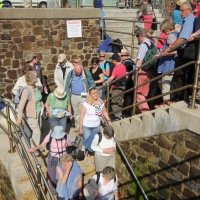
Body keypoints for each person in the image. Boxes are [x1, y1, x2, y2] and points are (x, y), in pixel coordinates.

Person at [166, 1, 196, 103]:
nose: (180, 13)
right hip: (186, 52)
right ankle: (182, 98)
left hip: (185, 52)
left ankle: (179, 99)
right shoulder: (189, 19)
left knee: (180, 76)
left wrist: (170, 48)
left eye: (182, 11)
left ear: (189, 10)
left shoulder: (189, 20)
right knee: (184, 76)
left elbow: (183, 38)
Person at [29, 126, 72, 194]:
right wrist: (35, 149)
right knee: (52, 176)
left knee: (64, 174)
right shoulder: (50, 136)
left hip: (64, 158)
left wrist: (70, 144)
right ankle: (53, 190)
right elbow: (42, 145)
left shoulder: (65, 135)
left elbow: (69, 143)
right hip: (53, 157)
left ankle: (62, 189)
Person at [16, 71, 44, 150]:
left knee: (38, 130)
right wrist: (19, 118)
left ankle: (37, 146)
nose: (37, 78)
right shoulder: (26, 90)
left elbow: (38, 97)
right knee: (37, 132)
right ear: (33, 79)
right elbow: (21, 105)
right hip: (31, 115)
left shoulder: (34, 87)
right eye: (36, 77)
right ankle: (33, 148)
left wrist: (42, 103)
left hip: (38, 112)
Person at [79, 87, 112, 153]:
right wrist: (80, 128)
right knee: (88, 140)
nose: (96, 95)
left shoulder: (101, 103)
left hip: (96, 126)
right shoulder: (86, 104)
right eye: (93, 94)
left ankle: (85, 147)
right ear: (90, 95)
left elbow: (104, 112)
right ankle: (86, 152)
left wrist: (109, 121)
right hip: (86, 126)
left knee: (93, 141)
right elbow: (81, 117)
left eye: (96, 93)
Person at [155, 19, 179, 107]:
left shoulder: (171, 37)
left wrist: (165, 53)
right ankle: (166, 101)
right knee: (165, 83)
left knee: (165, 83)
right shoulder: (177, 34)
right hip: (171, 63)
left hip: (168, 64)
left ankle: (166, 103)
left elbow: (175, 50)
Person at [66, 63, 96, 131]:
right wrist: (68, 96)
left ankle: (83, 125)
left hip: (83, 94)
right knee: (76, 112)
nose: (79, 74)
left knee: (83, 111)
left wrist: (91, 91)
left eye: (80, 73)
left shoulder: (86, 73)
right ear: (74, 70)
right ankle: (78, 125)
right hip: (73, 95)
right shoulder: (70, 74)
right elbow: (67, 86)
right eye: (77, 73)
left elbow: (92, 82)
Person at [134, 28, 154, 113]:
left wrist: (135, 72)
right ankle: (140, 111)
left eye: (138, 37)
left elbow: (139, 61)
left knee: (138, 92)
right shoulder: (152, 43)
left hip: (142, 71)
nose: (138, 39)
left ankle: (146, 112)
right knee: (144, 93)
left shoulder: (143, 45)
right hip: (150, 70)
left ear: (142, 36)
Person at [104, 53, 126, 119]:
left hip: (116, 87)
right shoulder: (123, 66)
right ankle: (120, 114)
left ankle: (117, 116)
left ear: (115, 60)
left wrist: (106, 82)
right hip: (122, 86)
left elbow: (112, 77)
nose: (112, 61)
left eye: (112, 60)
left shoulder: (116, 68)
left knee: (114, 101)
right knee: (119, 101)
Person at [120, 49, 136, 117]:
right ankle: (129, 111)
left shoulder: (125, 63)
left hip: (129, 82)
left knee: (128, 97)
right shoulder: (132, 61)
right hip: (133, 81)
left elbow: (126, 75)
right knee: (131, 96)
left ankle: (127, 112)